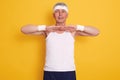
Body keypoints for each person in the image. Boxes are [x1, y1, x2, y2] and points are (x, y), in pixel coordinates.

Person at [21, 2, 100, 80]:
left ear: (67, 15)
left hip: (68, 71)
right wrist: (44, 27)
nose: (60, 14)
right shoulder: (47, 31)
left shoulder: (72, 31)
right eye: (57, 11)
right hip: (50, 71)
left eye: (63, 11)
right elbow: (24, 30)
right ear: (53, 15)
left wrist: (78, 27)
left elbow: (96, 32)